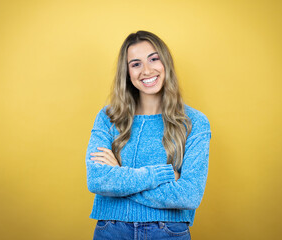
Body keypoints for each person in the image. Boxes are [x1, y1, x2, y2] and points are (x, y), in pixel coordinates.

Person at [85, 30, 211, 240]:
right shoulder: (108, 117)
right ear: (127, 72)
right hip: (112, 231)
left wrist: (120, 175)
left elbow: (189, 195)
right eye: (135, 64)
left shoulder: (195, 122)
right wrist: (161, 176)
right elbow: (97, 180)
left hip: (168, 232)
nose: (146, 70)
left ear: (166, 63)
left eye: (154, 59)